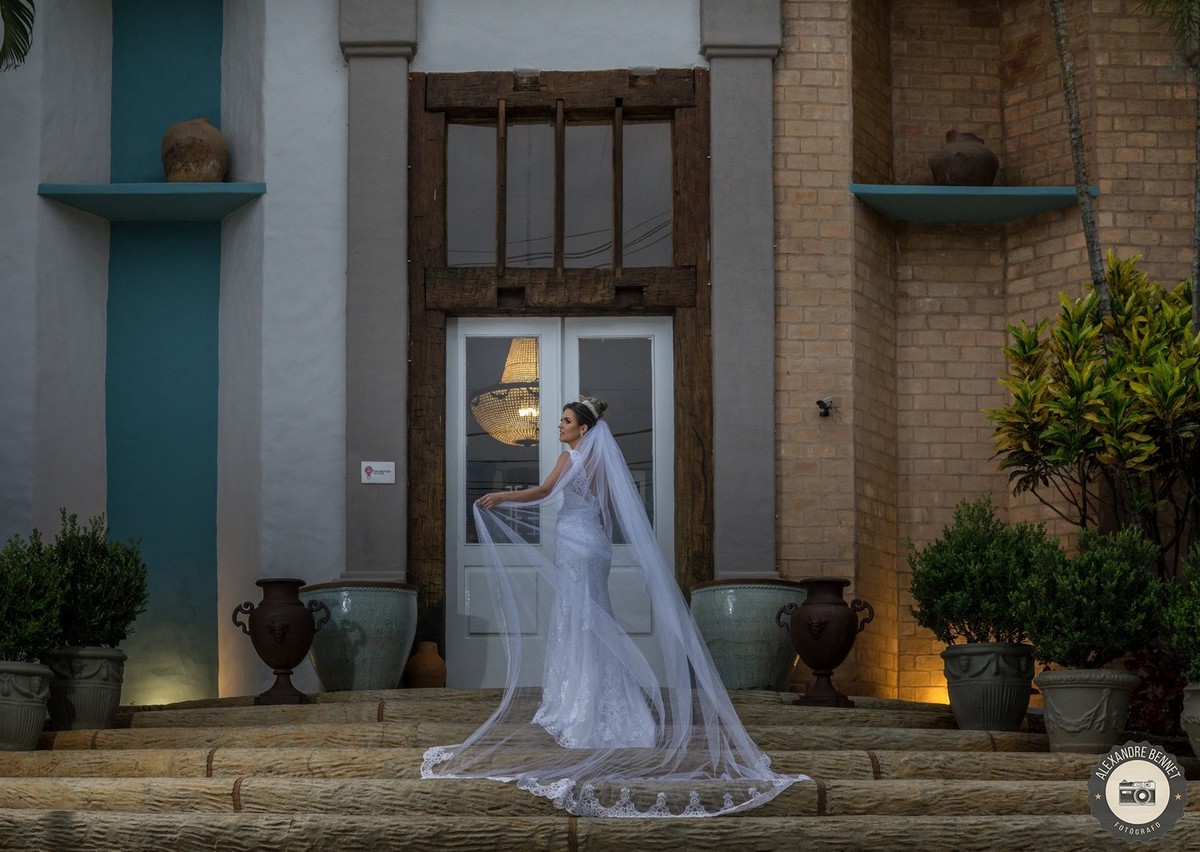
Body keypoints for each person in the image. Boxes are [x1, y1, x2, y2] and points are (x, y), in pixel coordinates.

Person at [421, 396, 805, 817]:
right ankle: (612, 705)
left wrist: (500, 498)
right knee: (592, 620)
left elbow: (545, 491)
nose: (559, 426)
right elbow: (604, 510)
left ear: (583, 429)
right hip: (597, 546)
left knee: (578, 621)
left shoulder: (570, 458)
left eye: (565, 421)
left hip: (574, 544)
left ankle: (579, 706)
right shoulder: (604, 463)